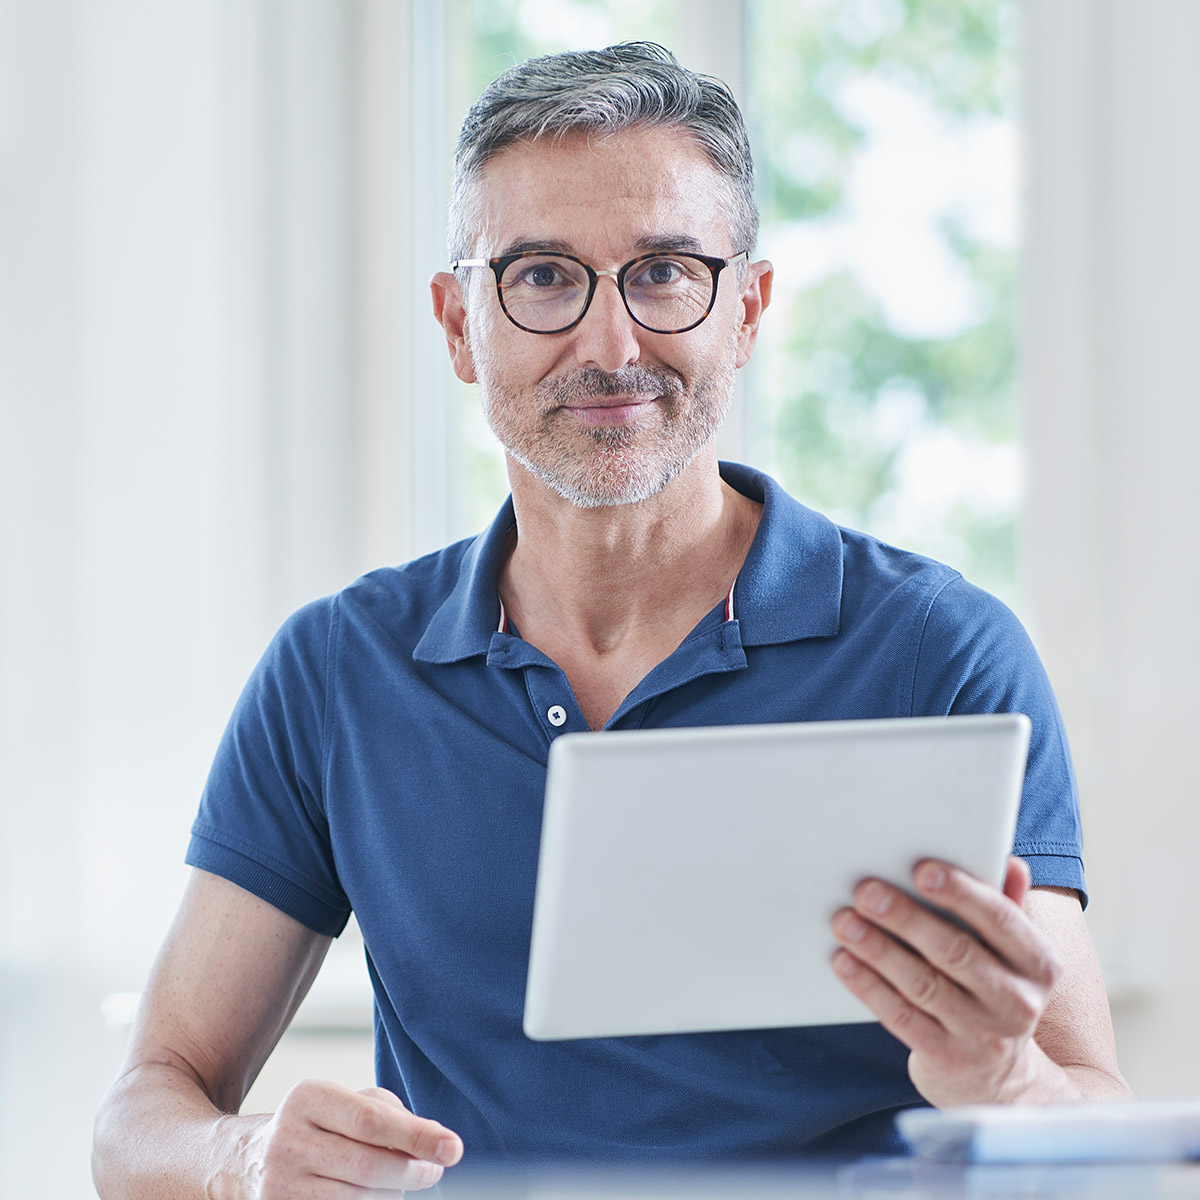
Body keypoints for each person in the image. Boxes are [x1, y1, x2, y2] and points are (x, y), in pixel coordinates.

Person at [92, 42, 1131, 1198]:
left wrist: (1005, 1083)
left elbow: (1098, 1133)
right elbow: (145, 1108)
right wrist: (237, 1157)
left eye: (666, 272)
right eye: (542, 275)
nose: (610, 344)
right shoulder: (338, 670)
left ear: (747, 309)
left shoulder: (942, 651)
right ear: (455, 324)